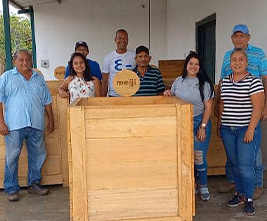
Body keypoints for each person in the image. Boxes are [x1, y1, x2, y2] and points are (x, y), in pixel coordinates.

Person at [217, 24, 267, 199]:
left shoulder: (258, 54)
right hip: (231, 113)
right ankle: (234, 183)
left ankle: (256, 184)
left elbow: (265, 79)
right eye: (235, 36)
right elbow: (222, 81)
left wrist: (264, 107)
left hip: (252, 109)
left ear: (248, 37)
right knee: (234, 153)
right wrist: (219, 113)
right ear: (232, 38)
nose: (238, 39)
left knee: (252, 151)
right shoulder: (226, 56)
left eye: (242, 36)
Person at [0, 49, 55, 202]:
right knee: (12, 157)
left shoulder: (38, 78)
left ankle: (34, 184)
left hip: (36, 123)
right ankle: (11, 188)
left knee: (38, 155)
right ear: (15, 61)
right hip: (14, 125)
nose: (25, 63)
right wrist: (1, 123)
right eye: (21, 60)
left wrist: (51, 120)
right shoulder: (6, 77)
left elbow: (47, 101)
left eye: (28, 60)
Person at [164, 51, 214, 201]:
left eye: (196, 64)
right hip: (182, 122)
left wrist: (203, 127)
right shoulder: (179, 80)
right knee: (185, 156)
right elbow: (172, 97)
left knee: (199, 157)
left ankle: (203, 185)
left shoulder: (204, 84)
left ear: (200, 67)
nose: (193, 66)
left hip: (199, 122)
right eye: (191, 63)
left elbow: (208, 108)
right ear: (186, 65)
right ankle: (191, 184)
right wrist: (167, 93)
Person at [102, 29, 135, 97]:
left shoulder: (134, 56)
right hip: (114, 95)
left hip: (130, 95)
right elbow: (105, 81)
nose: (122, 41)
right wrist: (103, 99)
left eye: (124, 38)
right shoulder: (108, 57)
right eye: (120, 38)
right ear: (115, 39)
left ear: (128, 40)